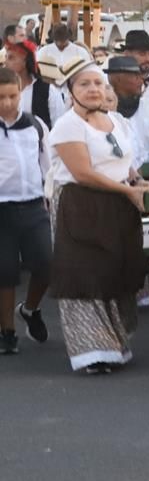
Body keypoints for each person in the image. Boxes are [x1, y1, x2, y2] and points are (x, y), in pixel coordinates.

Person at [46, 60, 149, 372]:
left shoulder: (114, 121)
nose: (93, 89)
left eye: (98, 84)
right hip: (81, 204)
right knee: (85, 274)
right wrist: (126, 191)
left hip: (117, 203)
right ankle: (92, 352)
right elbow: (83, 173)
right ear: (71, 91)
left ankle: (113, 345)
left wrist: (135, 179)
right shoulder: (68, 125)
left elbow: (122, 158)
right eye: (84, 84)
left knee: (113, 271)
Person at [0, 66, 54, 355]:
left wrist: (49, 194)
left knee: (46, 263)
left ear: (20, 93)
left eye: (12, 96)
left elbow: (48, 165)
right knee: (5, 272)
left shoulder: (35, 125)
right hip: (2, 209)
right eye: (0, 98)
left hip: (33, 205)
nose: (7, 103)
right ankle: (6, 331)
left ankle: (30, 309)